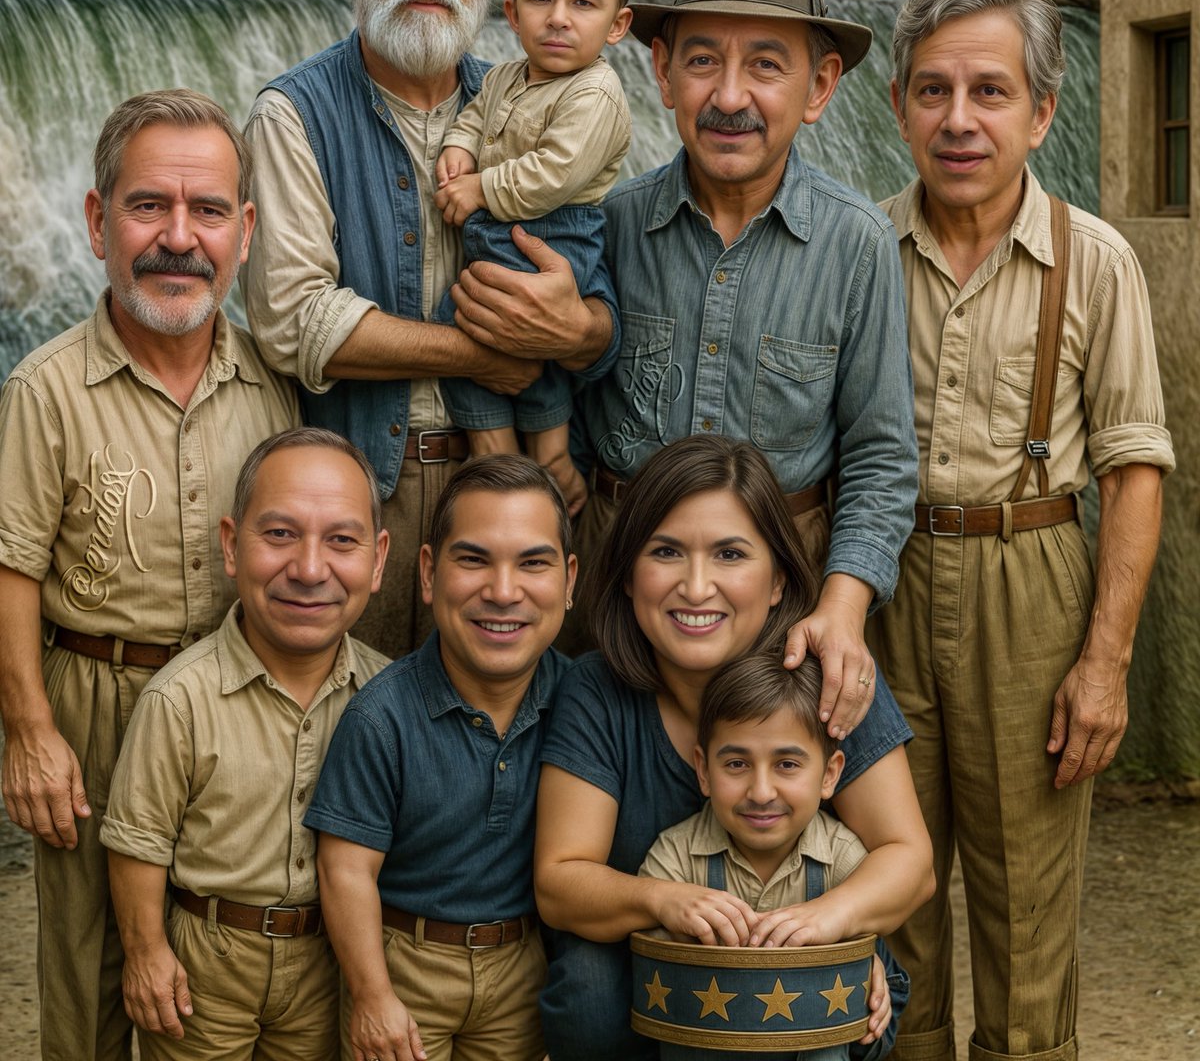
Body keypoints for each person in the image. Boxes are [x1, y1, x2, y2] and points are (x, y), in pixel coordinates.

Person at [872, 0, 1175, 1061]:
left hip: (1033, 577)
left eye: (991, 92)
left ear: (1042, 112)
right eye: (935, 91)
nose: (960, 120)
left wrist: (1105, 663)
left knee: (1028, 915)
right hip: (883, 577)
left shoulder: (1095, 260)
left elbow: (1136, 468)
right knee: (888, 898)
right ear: (899, 103)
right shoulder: (860, 251)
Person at [243, 0, 618, 659]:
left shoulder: (546, 100)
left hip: (524, 497)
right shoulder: (292, 116)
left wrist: (576, 328)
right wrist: (488, 353)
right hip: (361, 506)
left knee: (513, 749)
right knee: (355, 742)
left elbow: (604, 313)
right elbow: (292, 323)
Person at [560, 0, 918, 726]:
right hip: (617, 613)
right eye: (701, 60)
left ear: (820, 86)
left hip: (783, 626)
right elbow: (569, 412)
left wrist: (843, 608)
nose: (729, 96)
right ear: (660, 72)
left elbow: (880, 459)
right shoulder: (607, 224)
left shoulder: (856, 244)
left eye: (765, 65)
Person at [0, 89, 299, 1061]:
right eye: (148, 208)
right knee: (88, 984)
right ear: (97, 221)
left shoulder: (273, 387)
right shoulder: (44, 388)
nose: (181, 238)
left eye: (208, 211)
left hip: (233, 718)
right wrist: (32, 734)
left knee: (210, 980)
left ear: (245, 231)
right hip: (94, 708)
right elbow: (10, 565)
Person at [534, 434, 933, 1061]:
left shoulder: (828, 672)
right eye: (666, 551)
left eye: (730, 554)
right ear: (629, 574)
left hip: (805, 961)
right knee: (585, 987)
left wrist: (827, 929)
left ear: (777, 580)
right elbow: (560, 883)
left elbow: (911, 861)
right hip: (655, 975)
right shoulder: (598, 690)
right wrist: (663, 900)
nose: (696, 587)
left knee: (846, 999)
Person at [100, 428, 390, 1059]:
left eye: (342, 540)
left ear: (378, 558)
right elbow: (137, 841)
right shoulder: (180, 698)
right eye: (280, 534)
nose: (310, 570)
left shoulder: (389, 698)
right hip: (206, 962)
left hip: (328, 960)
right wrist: (147, 953)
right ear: (231, 545)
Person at [304, 454, 577, 1061]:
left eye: (533, 563)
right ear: (428, 573)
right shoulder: (381, 716)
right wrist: (373, 995)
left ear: (569, 580)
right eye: (473, 559)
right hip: (405, 962)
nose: (503, 592)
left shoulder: (583, 704)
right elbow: (345, 870)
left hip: (521, 966)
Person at [431, 0, 633, 514]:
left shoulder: (594, 93)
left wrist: (480, 189)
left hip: (557, 230)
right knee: (475, 323)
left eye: (583, 3)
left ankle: (546, 455)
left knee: (512, 330)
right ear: (513, 13)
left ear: (618, 24)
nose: (559, 17)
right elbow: (473, 116)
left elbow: (553, 174)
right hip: (508, 228)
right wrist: (459, 147)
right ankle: (493, 445)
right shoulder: (502, 76)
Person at [640, 651, 873, 1061]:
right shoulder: (674, 859)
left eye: (786, 764)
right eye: (736, 763)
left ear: (830, 774)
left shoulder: (844, 858)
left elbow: (866, 948)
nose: (761, 792)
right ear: (703, 771)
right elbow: (657, 969)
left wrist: (869, 975)